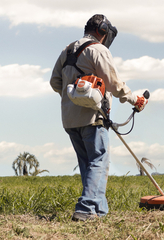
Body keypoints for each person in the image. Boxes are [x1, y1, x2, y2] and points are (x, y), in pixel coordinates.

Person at [50, 14, 147, 221]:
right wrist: (134, 99)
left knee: (88, 164)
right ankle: (85, 209)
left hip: (69, 119)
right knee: (99, 161)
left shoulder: (67, 49)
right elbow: (114, 84)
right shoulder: (98, 50)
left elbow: (55, 82)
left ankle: (98, 212)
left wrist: (74, 98)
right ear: (102, 31)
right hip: (93, 118)